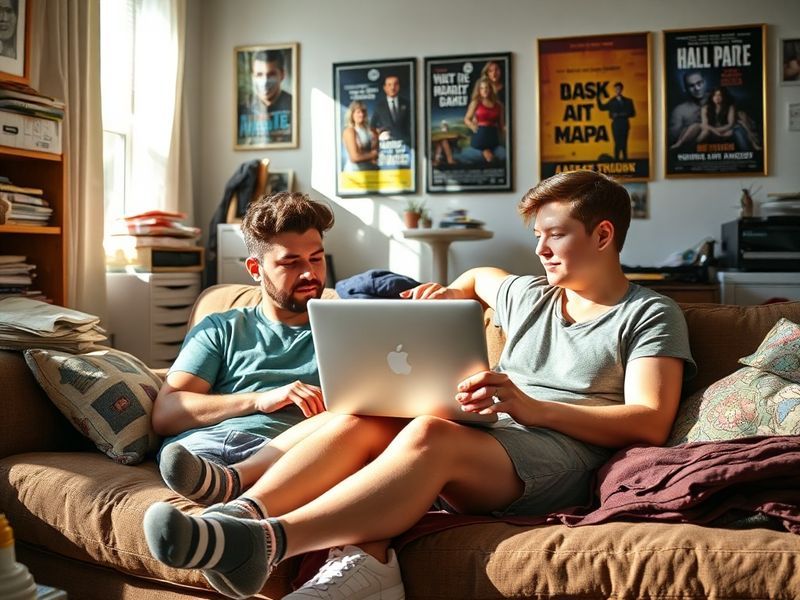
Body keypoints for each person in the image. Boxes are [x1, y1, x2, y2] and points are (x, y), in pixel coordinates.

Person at [143, 170, 695, 600]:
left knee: (429, 433)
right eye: (537, 237)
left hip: (567, 454)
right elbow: (482, 278)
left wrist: (529, 407)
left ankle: (267, 542)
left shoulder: (648, 313)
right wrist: (454, 293)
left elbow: (649, 419)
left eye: (555, 236)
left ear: (603, 234)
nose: (540, 250)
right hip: (497, 438)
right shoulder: (531, 293)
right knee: (370, 412)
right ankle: (240, 513)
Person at [152, 191, 338, 507]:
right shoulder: (221, 328)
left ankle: (237, 506)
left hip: (289, 453)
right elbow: (167, 414)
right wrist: (259, 400)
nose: (309, 274)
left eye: (316, 259)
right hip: (205, 450)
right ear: (255, 269)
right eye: (290, 262)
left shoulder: (345, 330)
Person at [237, 50, 293, 145]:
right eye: (259, 75)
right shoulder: (242, 109)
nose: (265, 82)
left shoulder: (294, 106)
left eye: (271, 74)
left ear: (282, 75)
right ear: (252, 77)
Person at [463, 77, 505, 163]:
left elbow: (501, 125)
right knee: (486, 159)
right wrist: (472, 126)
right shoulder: (476, 102)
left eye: (486, 88)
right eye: (482, 88)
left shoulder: (499, 105)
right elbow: (466, 119)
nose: (484, 90)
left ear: (490, 89)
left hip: (493, 140)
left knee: (503, 156)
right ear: (479, 90)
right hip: (479, 139)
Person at [668, 71, 708, 149]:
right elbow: (672, 139)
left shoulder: (721, 100)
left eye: (699, 83)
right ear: (685, 89)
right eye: (691, 86)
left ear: (705, 83)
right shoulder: (679, 111)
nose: (697, 88)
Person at [596, 82, 636, 161]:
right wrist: (598, 98)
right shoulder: (612, 101)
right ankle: (616, 161)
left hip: (624, 124)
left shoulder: (628, 101)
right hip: (616, 125)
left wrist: (621, 114)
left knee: (624, 144)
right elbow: (602, 107)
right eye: (616, 89)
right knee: (617, 143)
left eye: (619, 89)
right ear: (615, 90)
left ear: (621, 89)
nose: (617, 90)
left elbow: (633, 113)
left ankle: (625, 160)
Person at [370, 74, 411, 146]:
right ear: (385, 88)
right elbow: (372, 126)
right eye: (389, 85)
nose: (392, 87)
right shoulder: (379, 107)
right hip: (386, 145)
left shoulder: (407, 104)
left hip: (405, 145)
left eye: (395, 84)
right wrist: (378, 137)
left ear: (399, 86)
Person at [341, 100, 378, 171]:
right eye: (358, 112)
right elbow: (354, 157)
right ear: (352, 114)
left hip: (369, 171)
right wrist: (372, 155)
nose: (361, 114)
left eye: (363, 111)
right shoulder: (350, 131)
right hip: (354, 173)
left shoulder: (369, 131)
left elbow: (375, 152)